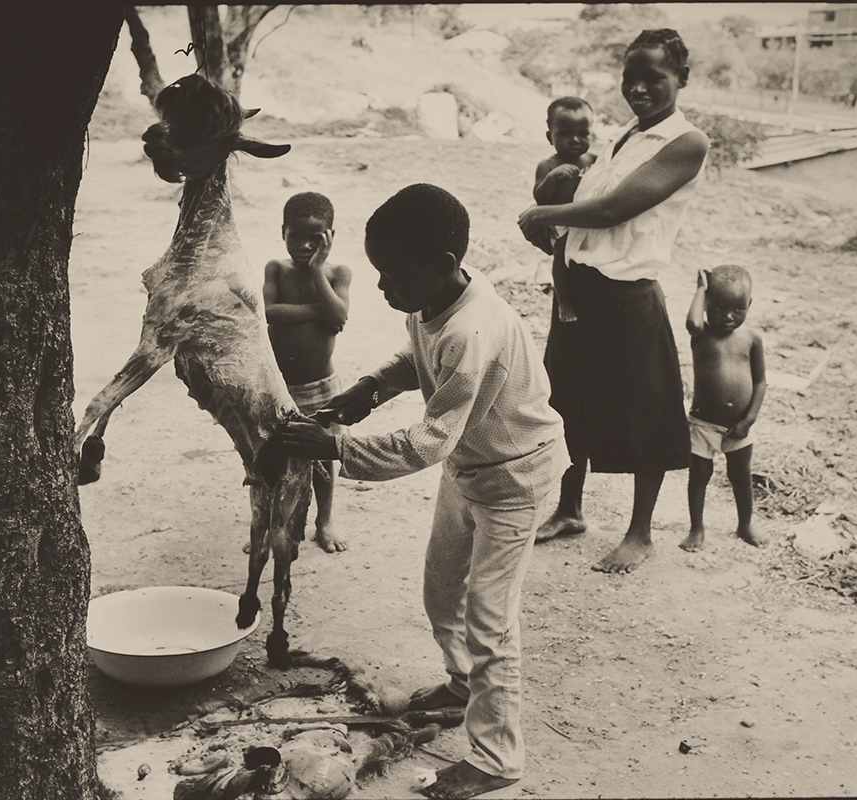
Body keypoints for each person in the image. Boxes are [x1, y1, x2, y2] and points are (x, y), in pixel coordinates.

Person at [276, 184, 565, 800]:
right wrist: (371, 387)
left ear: (442, 264)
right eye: (379, 273)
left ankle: (497, 757)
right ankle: (462, 686)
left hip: (515, 478)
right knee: (441, 589)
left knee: (490, 619)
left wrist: (335, 449)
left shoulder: (473, 331)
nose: (383, 289)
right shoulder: (432, 294)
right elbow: (416, 355)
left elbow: (426, 443)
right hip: (472, 467)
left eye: (391, 276)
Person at [517, 28, 709, 573]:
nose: (640, 89)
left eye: (655, 79)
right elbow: (585, 200)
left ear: (682, 80)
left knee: (645, 414)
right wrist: (553, 213)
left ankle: (640, 533)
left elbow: (611, 210)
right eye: (632, 79)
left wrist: (542, 215)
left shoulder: (686, 142)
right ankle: (570, 510)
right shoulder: (625, 133)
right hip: (579, 290)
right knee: (567, 403)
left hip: (629, 296)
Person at [263, 191, 352, 553]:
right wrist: (319, 310)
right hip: (279, 385)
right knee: (272, 456)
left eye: (314, 239)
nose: (303, 245)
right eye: (295, 235)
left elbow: (340, 315)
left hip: (322, 388)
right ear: (282, 231)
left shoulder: (337, 272)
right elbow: (270, 313)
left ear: (330, 236)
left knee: (324, 456)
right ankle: (274, 522)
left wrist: (317, 271)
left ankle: (324, 520)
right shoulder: (276, 269)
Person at [682, 265, 767, 552]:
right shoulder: (702, 334)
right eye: (717, 308)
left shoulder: (752, 339)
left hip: (740, 425)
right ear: (706, 305)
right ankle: (697, 528)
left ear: (749, 305)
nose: (728, 317)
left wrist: (749, 419)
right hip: (703, 423)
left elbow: (761, 382)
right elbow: (692, 323)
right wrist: (700, 288)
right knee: (699, 477)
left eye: (738, 310)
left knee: (741, 477)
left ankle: (745, 525)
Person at [533, 96, 596, 324]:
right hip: (562, 222)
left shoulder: (593, 160)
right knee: (561, 255)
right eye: (566, 134)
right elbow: (540, 198)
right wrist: (552, 179)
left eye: (583, 133)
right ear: (550, 137)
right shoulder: (548, 165)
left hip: (589, 218)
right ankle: (565, 300)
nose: (575, 140)